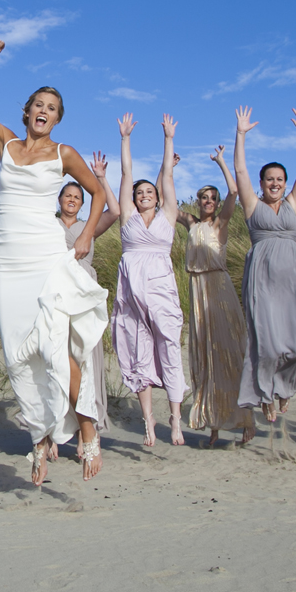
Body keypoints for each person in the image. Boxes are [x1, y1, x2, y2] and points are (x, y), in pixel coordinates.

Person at [0, 38, 108, 485]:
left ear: (57, 119)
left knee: (56, 346)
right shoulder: (6, 143)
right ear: (27, 112)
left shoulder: (63, 153)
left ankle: (87, 428)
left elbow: (100, 194)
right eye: (38, 105)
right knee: (17, 354)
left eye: (52, 108)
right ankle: (41, 438)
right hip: (7, 258)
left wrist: (84, 233)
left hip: (47, 254)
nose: (44, 111)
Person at [234, 106, 296, 422]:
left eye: (280, 179)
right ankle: (266, 395)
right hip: (262, 280)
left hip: (292, 280)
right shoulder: (253, 205)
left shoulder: (294, 203)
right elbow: (240, 171)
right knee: (266, 346)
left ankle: (284, 387)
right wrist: (240, 134)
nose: (276, 183)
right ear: (262, 181)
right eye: (270, 179)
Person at [111, 112, 188, 447]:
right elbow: (126, 173)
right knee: (138, 349)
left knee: (169, 345)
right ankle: (148, 421)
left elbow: (167, 175)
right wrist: (125, 138)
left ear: (157, 197)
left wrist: (168, 138)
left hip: (160, 288)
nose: (144, 193)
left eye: (149, 191)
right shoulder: (127, 216)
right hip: (131, 290)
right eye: (140, 192)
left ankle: (175, 418)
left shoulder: (167, 216)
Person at [173, 146, 256, 445]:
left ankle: (247, 420)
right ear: (197, 202)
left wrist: (222, 161)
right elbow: (166, 202)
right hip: (198, 292)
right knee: (206, 357)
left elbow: (234, 192)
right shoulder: (191, 224)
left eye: (212, 198)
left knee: (229, 354)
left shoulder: (220, 223)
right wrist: (169, 168)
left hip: (219, 291)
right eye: (203, 198)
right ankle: (213, 426)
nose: (208, 202)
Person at [56, 153, 119, 455]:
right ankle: (52, 431)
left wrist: (101, 178)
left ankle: (87, 431)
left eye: (77, 197)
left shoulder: (89, 225)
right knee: (58, 359)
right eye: (67, 195)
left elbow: (115, 211)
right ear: (59, 200)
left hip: (86, 294)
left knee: (86, 358)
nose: (72, 200)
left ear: (83, 203)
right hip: (57, 294)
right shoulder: (48, 225)